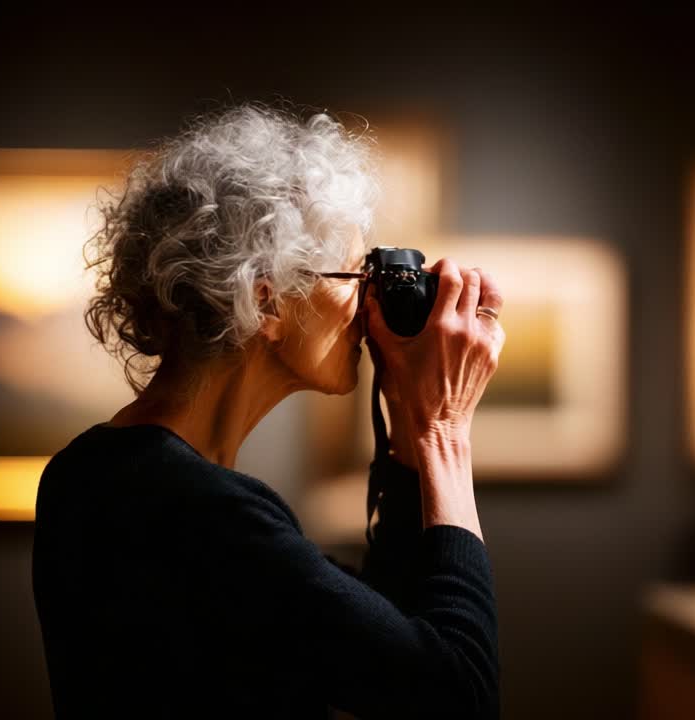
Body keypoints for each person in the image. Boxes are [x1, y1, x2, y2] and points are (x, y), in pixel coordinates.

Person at [32, 105, 504, 719]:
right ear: (269, 302)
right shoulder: (195, 509)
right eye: (353, 275)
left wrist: (412, 436)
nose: (368, 306)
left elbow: (385, 633)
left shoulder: (104, 474)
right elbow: (457, 696)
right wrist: (444, 431)